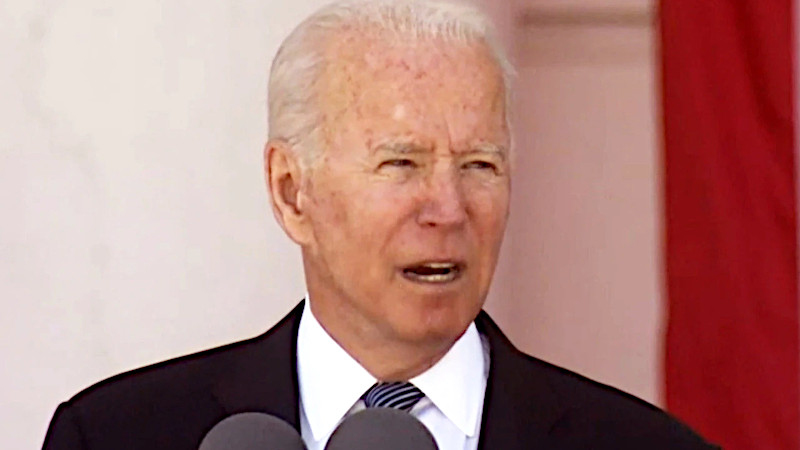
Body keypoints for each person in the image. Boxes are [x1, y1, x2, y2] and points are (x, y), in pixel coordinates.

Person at [42, 1, 718, 449]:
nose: (449, 208)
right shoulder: (116, 436)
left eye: (481, 165)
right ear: (290, 191)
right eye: (401, 163)